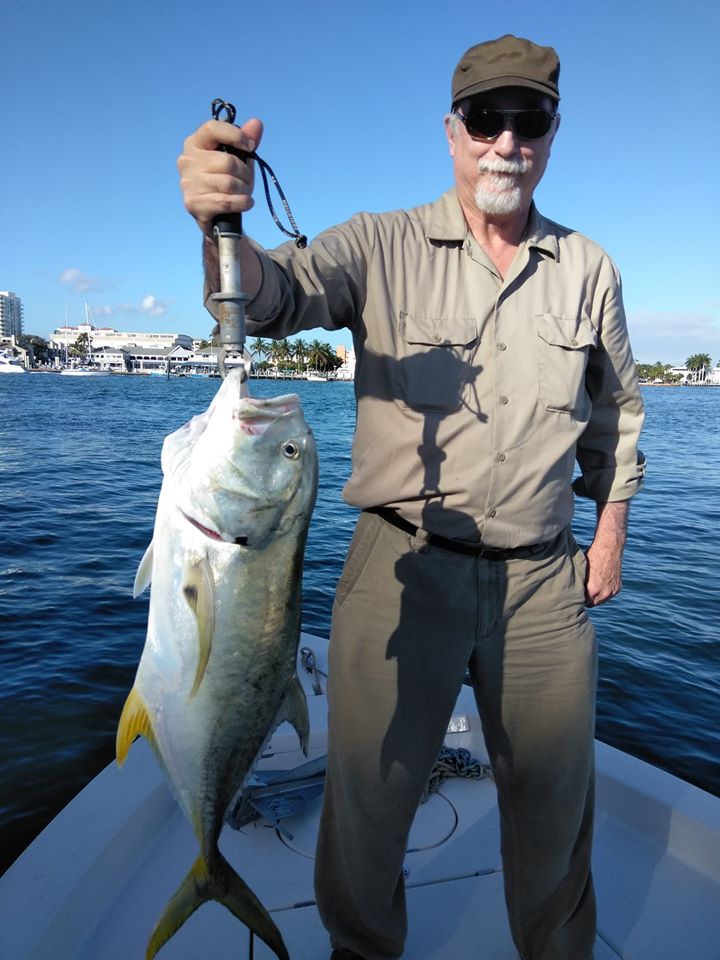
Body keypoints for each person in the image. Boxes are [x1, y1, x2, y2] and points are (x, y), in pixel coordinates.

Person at [178, 34, 645, 960]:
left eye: (529, 119)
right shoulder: (378, 243)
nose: (506, 141)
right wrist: (217, 226)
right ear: (452, 130)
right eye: (486, 118)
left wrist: (610, 534)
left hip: (544, 584)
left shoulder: (590, 269)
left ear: (552, 132)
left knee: (556, 809)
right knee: (369, 804)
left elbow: (617, 415)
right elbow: (275, 296)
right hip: (401, 566)